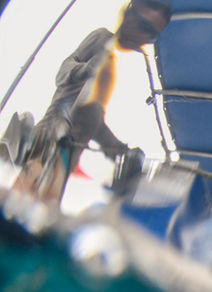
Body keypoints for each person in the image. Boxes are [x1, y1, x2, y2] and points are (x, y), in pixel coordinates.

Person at [14, 1, 172, 202]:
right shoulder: (102, 39)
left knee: (41, 209)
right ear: (129, 15)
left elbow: (92, 119)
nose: (143, 37)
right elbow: (62, 73)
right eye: (143, 26)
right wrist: (87, 70)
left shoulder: (116, 65)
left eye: (152, 35)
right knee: (19, 202)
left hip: (66, 157)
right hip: (50, 140)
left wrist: (121, 152)